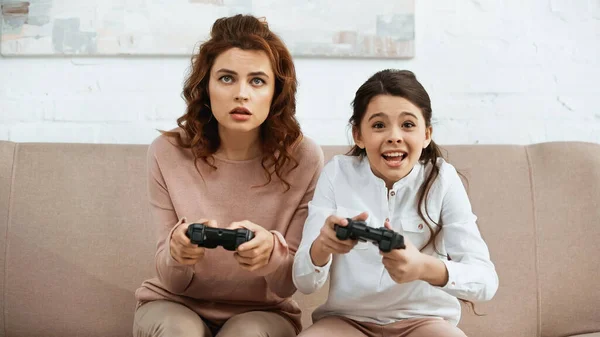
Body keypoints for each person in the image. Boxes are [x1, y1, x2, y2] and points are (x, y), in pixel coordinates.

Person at [133, 14, 324, 337]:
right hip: (175, 303)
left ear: (276, 91)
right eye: (226, 78)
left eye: (257, 81)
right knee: (181, 331)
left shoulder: (304, 158)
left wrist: (272, 256)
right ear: (205, 87)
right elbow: (172, 280)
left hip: (263, 311)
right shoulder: (167, 152)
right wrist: (177, 253)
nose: (241, 94)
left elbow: (287, 284)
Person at [292, 69, 498, 337]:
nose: (394, 136)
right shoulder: (336, 174)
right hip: (346, 322)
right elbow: (304, 282)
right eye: (378, 125)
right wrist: (322, 247)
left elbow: (485, 282)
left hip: (424, 322)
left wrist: (423, 268)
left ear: (427, 134)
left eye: (408, 125)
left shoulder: (442, 179)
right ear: (358, 135)